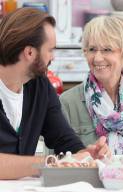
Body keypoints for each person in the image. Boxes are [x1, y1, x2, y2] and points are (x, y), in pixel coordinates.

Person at [0, 8, 110, 180]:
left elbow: (63, 139)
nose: (54, 57)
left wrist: (85, 154)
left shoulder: (40, 86)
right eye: (50, 50)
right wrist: (51, 163)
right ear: (30, 52)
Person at [60, 16, 123, 158]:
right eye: (92, 49)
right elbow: (53, 164)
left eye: (107, 49)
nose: (97, 58)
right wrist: (85, 159)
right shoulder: (67, 103)